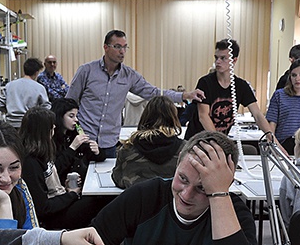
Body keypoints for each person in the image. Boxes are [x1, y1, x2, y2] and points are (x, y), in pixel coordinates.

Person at [92, 131, 260, 245]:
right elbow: (92, 242)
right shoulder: (144, 197)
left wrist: (219, 195)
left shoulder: (235, 214)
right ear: (178, 163)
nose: (186, 194)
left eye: (202, 188)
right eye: (182, 178)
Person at [66, 29, 204, 157]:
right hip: (84, 138)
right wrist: (74, 131)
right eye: (118, 46)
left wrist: (185, 95)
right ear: (106, 47)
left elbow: (153, 92)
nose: (122, 51)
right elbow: (70, 103)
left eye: (125, 47)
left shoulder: (129, 76)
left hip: (109, 143)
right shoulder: (87, 71)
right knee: (80, 180)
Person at [20, 107, 109, 230]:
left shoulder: (44, 151)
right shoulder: (31, 162)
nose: (54, 128)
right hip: (51, 219)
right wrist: (72, 195)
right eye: (52, 126)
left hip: (61, 200)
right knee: (100, 202)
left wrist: (67, 190)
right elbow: (42, 208)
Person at [184, 39, 272, 141]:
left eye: (223, 58)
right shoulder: (205, 83)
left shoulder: (241, 86)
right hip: (198, 140)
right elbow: (203, 116)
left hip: (219, 140)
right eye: (216, 58)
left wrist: (274, 141)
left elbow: (257, 115)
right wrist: (220, 142)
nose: (218, 62)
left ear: (234, 60)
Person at [111, 95, 186, 188]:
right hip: (171, 200)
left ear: (145, 116)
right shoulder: (185, 150)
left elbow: (117, 178)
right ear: (173, 118)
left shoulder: (128, 148)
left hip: (138, 200)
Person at [52, 97, 106, 183]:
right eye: (71, 116)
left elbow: (95, 156)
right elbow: (55, 169)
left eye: (76, 116)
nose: (76, 120)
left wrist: (97, 151)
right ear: (60, 116)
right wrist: (73, 147)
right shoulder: (51, 139)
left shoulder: (73, 134)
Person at [0, 57, 51, 127]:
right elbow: (46, 108)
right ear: (37, 72)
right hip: (30, 125)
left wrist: (10, 111)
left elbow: (0, 105)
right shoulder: (39, 88)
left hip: (10, 125)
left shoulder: (9, 85)